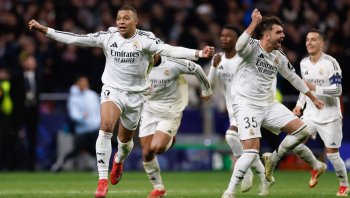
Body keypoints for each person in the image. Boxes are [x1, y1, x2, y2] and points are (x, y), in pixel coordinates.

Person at [28, 5, 214, 198]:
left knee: (124, 143)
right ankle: (102, 182)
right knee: (106, 126)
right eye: (118, 18)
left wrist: (198, 53)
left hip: (136, 96)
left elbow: (169, 49)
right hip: (112, 90)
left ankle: (118, 159)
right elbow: (75, 38)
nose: (121, 22)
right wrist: (45, 30)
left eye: (126, 18)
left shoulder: (145, 40)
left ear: (136, 21)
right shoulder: (108, 37)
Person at [222, 9, 324, 198]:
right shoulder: (251, 47)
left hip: (268, 105)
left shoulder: (278, 56)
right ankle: (228, 193)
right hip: (246, 105)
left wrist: (313, 97)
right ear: (266, 35)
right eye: (279, 32)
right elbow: (238, 46)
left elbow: (294, 78)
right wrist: (253, 23)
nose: (283, 36)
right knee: (251, 152)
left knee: (302, 130)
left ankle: (273, 159)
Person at [208, 25, 273, 196]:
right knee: (248, 150)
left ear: (237, 40)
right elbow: (209, 87)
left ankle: (246, 173)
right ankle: (264, 177)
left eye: (229, 36)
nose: (224, 39)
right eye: (222, 35)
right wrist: (214, 68)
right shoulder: (218, 59)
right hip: (232, 110)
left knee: (231, 136)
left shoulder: (245, 59)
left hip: (248, 106)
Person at [140, 54, 212, 198]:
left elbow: (196, 68)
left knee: (157, 148)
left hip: (170, 111)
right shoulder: (139, 65)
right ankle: (159, 189)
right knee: (147, 152)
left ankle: (170, 139)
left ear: (158, 52)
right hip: (148, 111)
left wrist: (206, 90)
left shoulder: (173, 64)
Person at [292, 29, 350, 196]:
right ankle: (317, 166)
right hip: (310, 114)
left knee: (332, 155)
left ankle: (344, 185)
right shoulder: (303, 63)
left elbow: (337, 90)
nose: (309, 42)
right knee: (293, 142)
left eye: (314, 39)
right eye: (307, 39)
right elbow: (304, 89)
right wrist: (299, 105)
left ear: (322, 43)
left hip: (330, 115)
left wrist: (314, 88)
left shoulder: (331, 63)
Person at [51, 76, 100, 172]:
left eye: (85, 82)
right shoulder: (74, 98)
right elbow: (73, 114)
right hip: (81, 130)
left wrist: (99, 122)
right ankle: (61, 163)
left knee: (97, 149)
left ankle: (98, 168)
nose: (84, 84)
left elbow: (98, 109)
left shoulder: (92, 95)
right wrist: (82, 117)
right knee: (77, 150)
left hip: (94, 128)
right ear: (78, 84)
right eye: (82, 82)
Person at [12, 55, 41, 171]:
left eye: (32, 61)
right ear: (23, 63)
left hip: (33, 112)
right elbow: (14, 96)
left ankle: (31, 166)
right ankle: (15, 165)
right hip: (20, 113)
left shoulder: (39, 77)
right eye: (28, 61)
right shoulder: (17, 78)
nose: (30, 63)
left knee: (33, 139)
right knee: (17, 140)